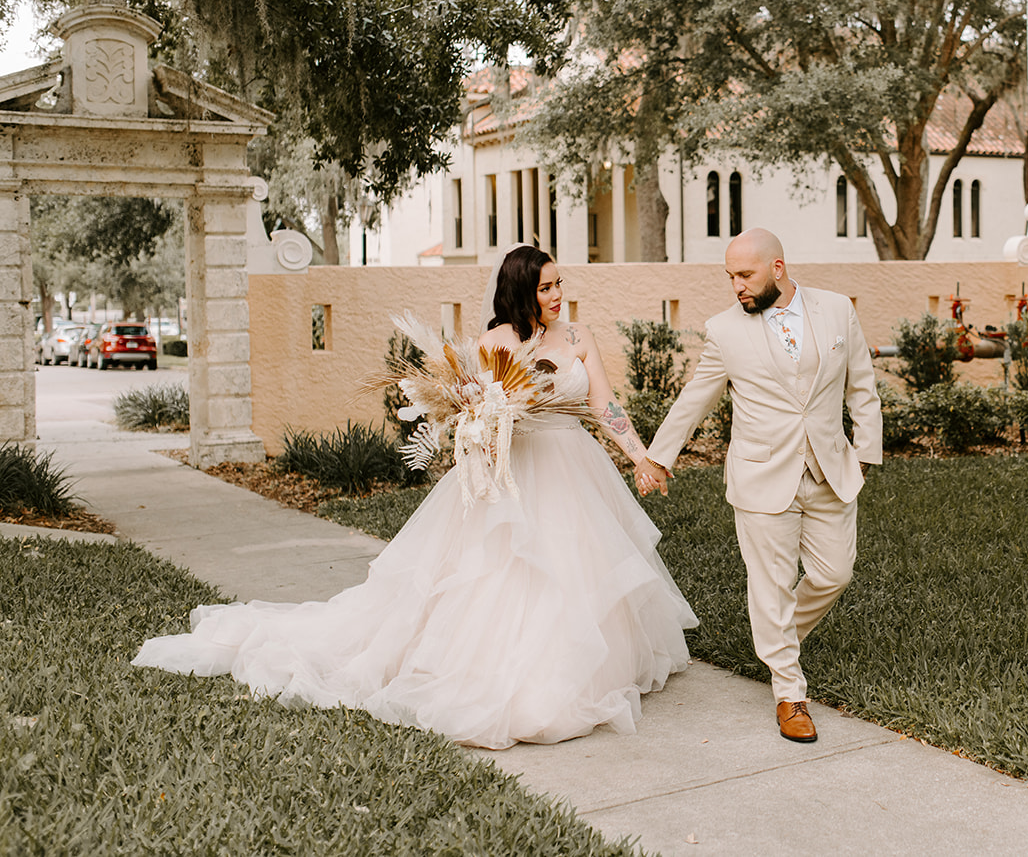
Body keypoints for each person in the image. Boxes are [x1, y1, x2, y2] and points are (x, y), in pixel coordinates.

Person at [132, 243, 696, 750]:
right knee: (508, 574)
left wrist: (640, 455)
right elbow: (476, 412)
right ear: (521, 290)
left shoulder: (579, 337)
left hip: (574, 468)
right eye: (545, 287)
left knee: (581, 568)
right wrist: (485, 430)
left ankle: (589, 666)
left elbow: (604, 405)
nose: (556, 296)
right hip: (513, 474)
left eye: (559, 284)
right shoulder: (493, 343)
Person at [642, 228, 881, 743]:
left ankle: (777, 643)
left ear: (777, 268)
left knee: (834, 573)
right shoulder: (725, 330)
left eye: (745, 275)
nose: (737, 287)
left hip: (830, 470)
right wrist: (658, 458)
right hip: (760, 474)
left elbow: (861, 384)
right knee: (769, 586)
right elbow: (694, 398)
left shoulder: (837, 310)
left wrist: (865, 452)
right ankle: (789, 693)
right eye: (730, 276)